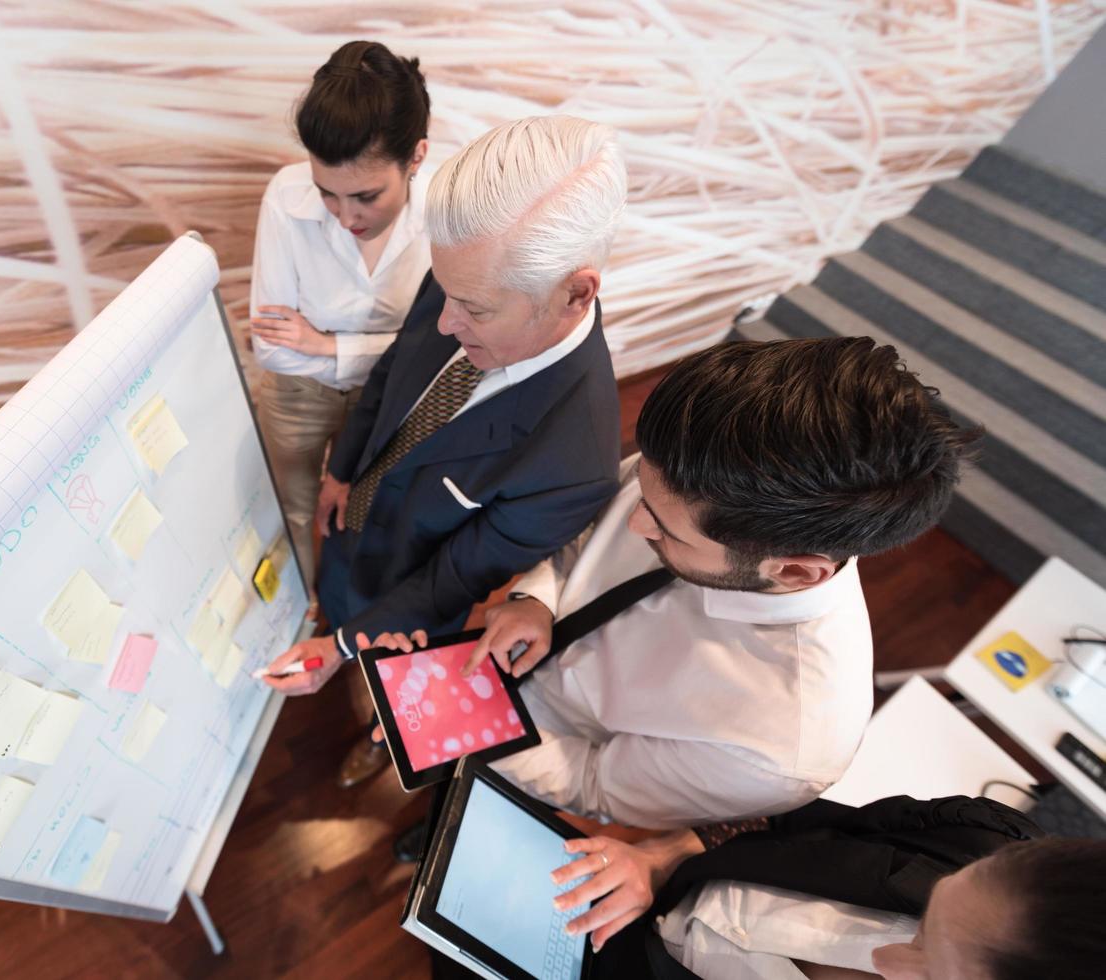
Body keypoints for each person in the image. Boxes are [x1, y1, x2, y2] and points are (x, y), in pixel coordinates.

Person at [407, 336, 975, 840]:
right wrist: (537, 596)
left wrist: (461, 730)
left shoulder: (782, 745)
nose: (634, 523)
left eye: (663, 529)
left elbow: (594, 783)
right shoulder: (686, 474)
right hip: (479, 656)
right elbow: (584, 529)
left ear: (796, 571)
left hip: (533, 749)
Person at [262, 116, 630, 788]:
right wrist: (342, 469)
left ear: (575, 292)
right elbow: (393, 372)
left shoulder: (572, 462)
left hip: (410, 599)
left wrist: (342, 649)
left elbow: (450, 583)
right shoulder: (468, 271)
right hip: (353, 531)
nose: (444, 323)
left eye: (474, 311)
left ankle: (376, 744)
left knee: (384, 699)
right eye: (446, 292)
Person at [443, 793, 1106, 979]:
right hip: (647, 900)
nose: (883, 956)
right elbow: (793, 815)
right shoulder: (973, 836)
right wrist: (664, 854)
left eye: (930, 972)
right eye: (927, 918)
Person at [249, 40, 433, 585]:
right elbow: (274, 350)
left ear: (416, 157)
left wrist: (327, 345)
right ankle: (300, 605)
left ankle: (353, 604)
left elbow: (438, 345)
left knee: (369, 507)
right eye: (326, 193)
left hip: (393, 394)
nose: (346, 215)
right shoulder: (285, 198)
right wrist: (389, 345)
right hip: (297, 397)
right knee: (291, 507)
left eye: (366, 196)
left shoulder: (450, 206)